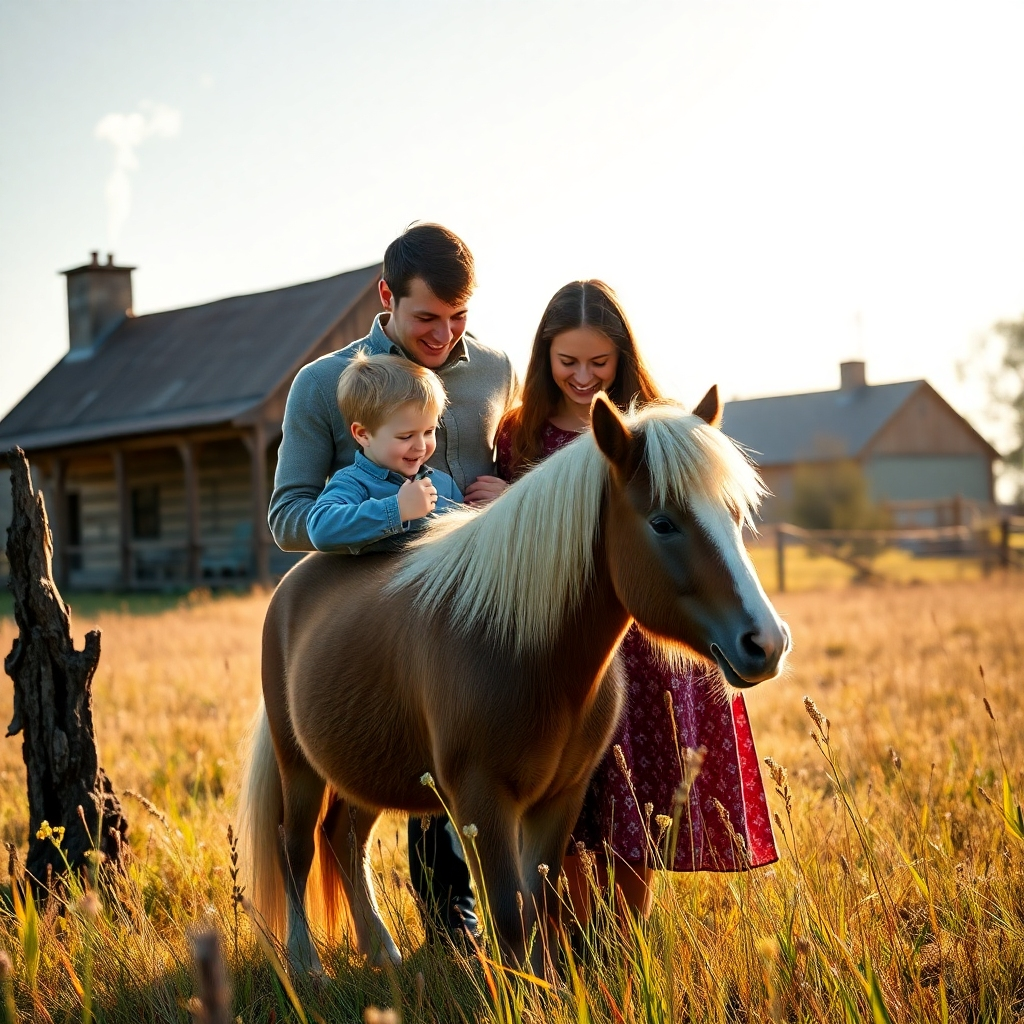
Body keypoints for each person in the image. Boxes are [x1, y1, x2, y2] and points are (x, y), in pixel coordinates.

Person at [496, 280, 777, 924]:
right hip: (563, 642)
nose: (584, 377)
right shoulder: (522, 436)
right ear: (545, 357)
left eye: (601, 362)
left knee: (632, 785)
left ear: (623, 356)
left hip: (646, 642)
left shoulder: (660, 428)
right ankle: (567, 924)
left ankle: (626, 933)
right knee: (564, 785)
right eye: (568, 362)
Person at [270, 223, 516, 944]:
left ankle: (508, 915)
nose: (445, 334)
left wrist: (514, 493)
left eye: (459, 317)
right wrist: (390, 514)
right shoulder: (324, 383)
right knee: (428, 764)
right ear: (386, 297)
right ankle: (452, 929)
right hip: (385, 615)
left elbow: (525, 467)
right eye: (426, 318)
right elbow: (288, 517)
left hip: (490, 605)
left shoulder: (498, 369)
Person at [306, 352, 462, 554]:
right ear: (363, 434)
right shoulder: (353, 482)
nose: (421, 446)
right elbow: (320, 529)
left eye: (429, 432)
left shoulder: (444, 485)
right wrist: (397, 509)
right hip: (376, 584)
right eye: (406, 436)